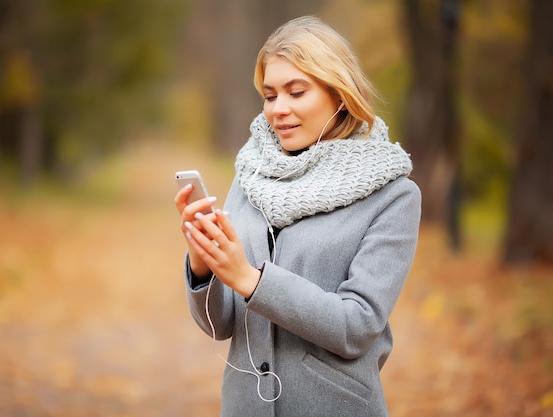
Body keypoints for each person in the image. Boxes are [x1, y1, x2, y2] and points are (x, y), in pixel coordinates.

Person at [174, 15, 421, 417]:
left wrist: (251, 281)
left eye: (297, 92)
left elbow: (357, 326)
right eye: (270, 95)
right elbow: (219, 327)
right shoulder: (251, 175)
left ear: (339, 94)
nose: (279, 109)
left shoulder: (392, 195)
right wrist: (204, 265)